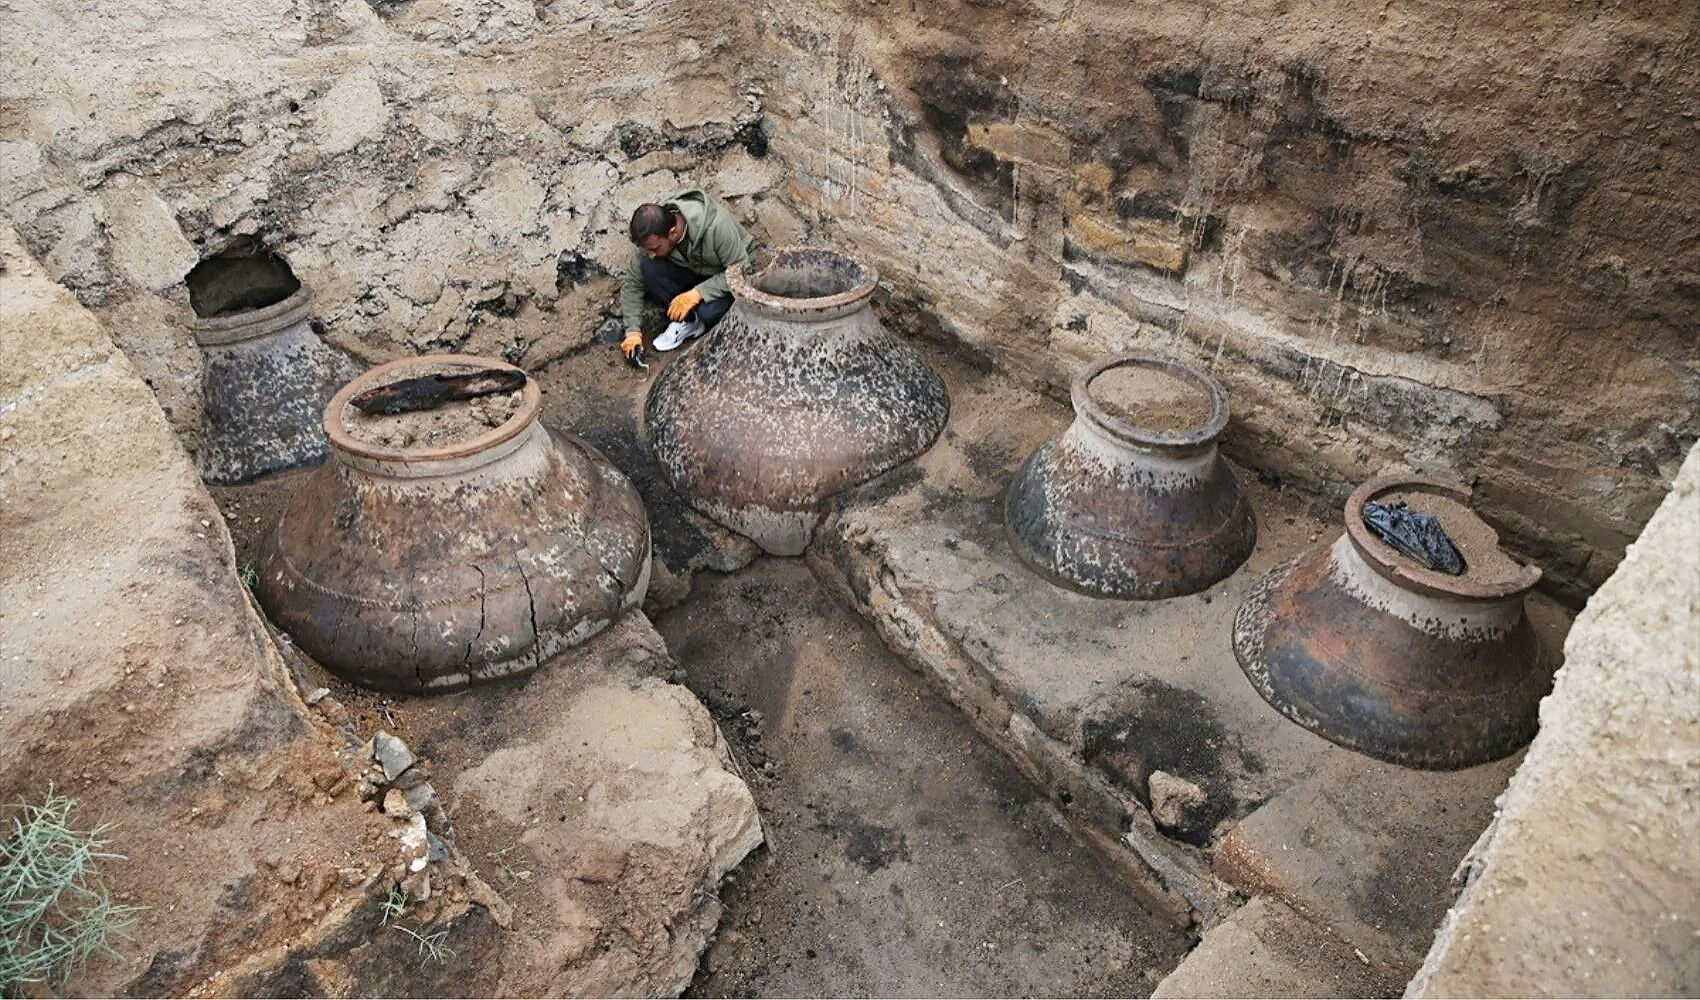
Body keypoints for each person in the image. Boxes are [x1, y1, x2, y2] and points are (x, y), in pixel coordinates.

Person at [619, 189, 756, 361]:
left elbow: (742, 270)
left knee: (710, 313)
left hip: (727, 275)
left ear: (672, 232)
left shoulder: (717, 226)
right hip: (694, 271)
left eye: (655, 249)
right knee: (649, 266)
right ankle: (688, 321)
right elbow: (633, 285)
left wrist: (698, 293)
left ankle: (708, 321)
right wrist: (632, 332)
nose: (652, 253)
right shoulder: (655, 234)